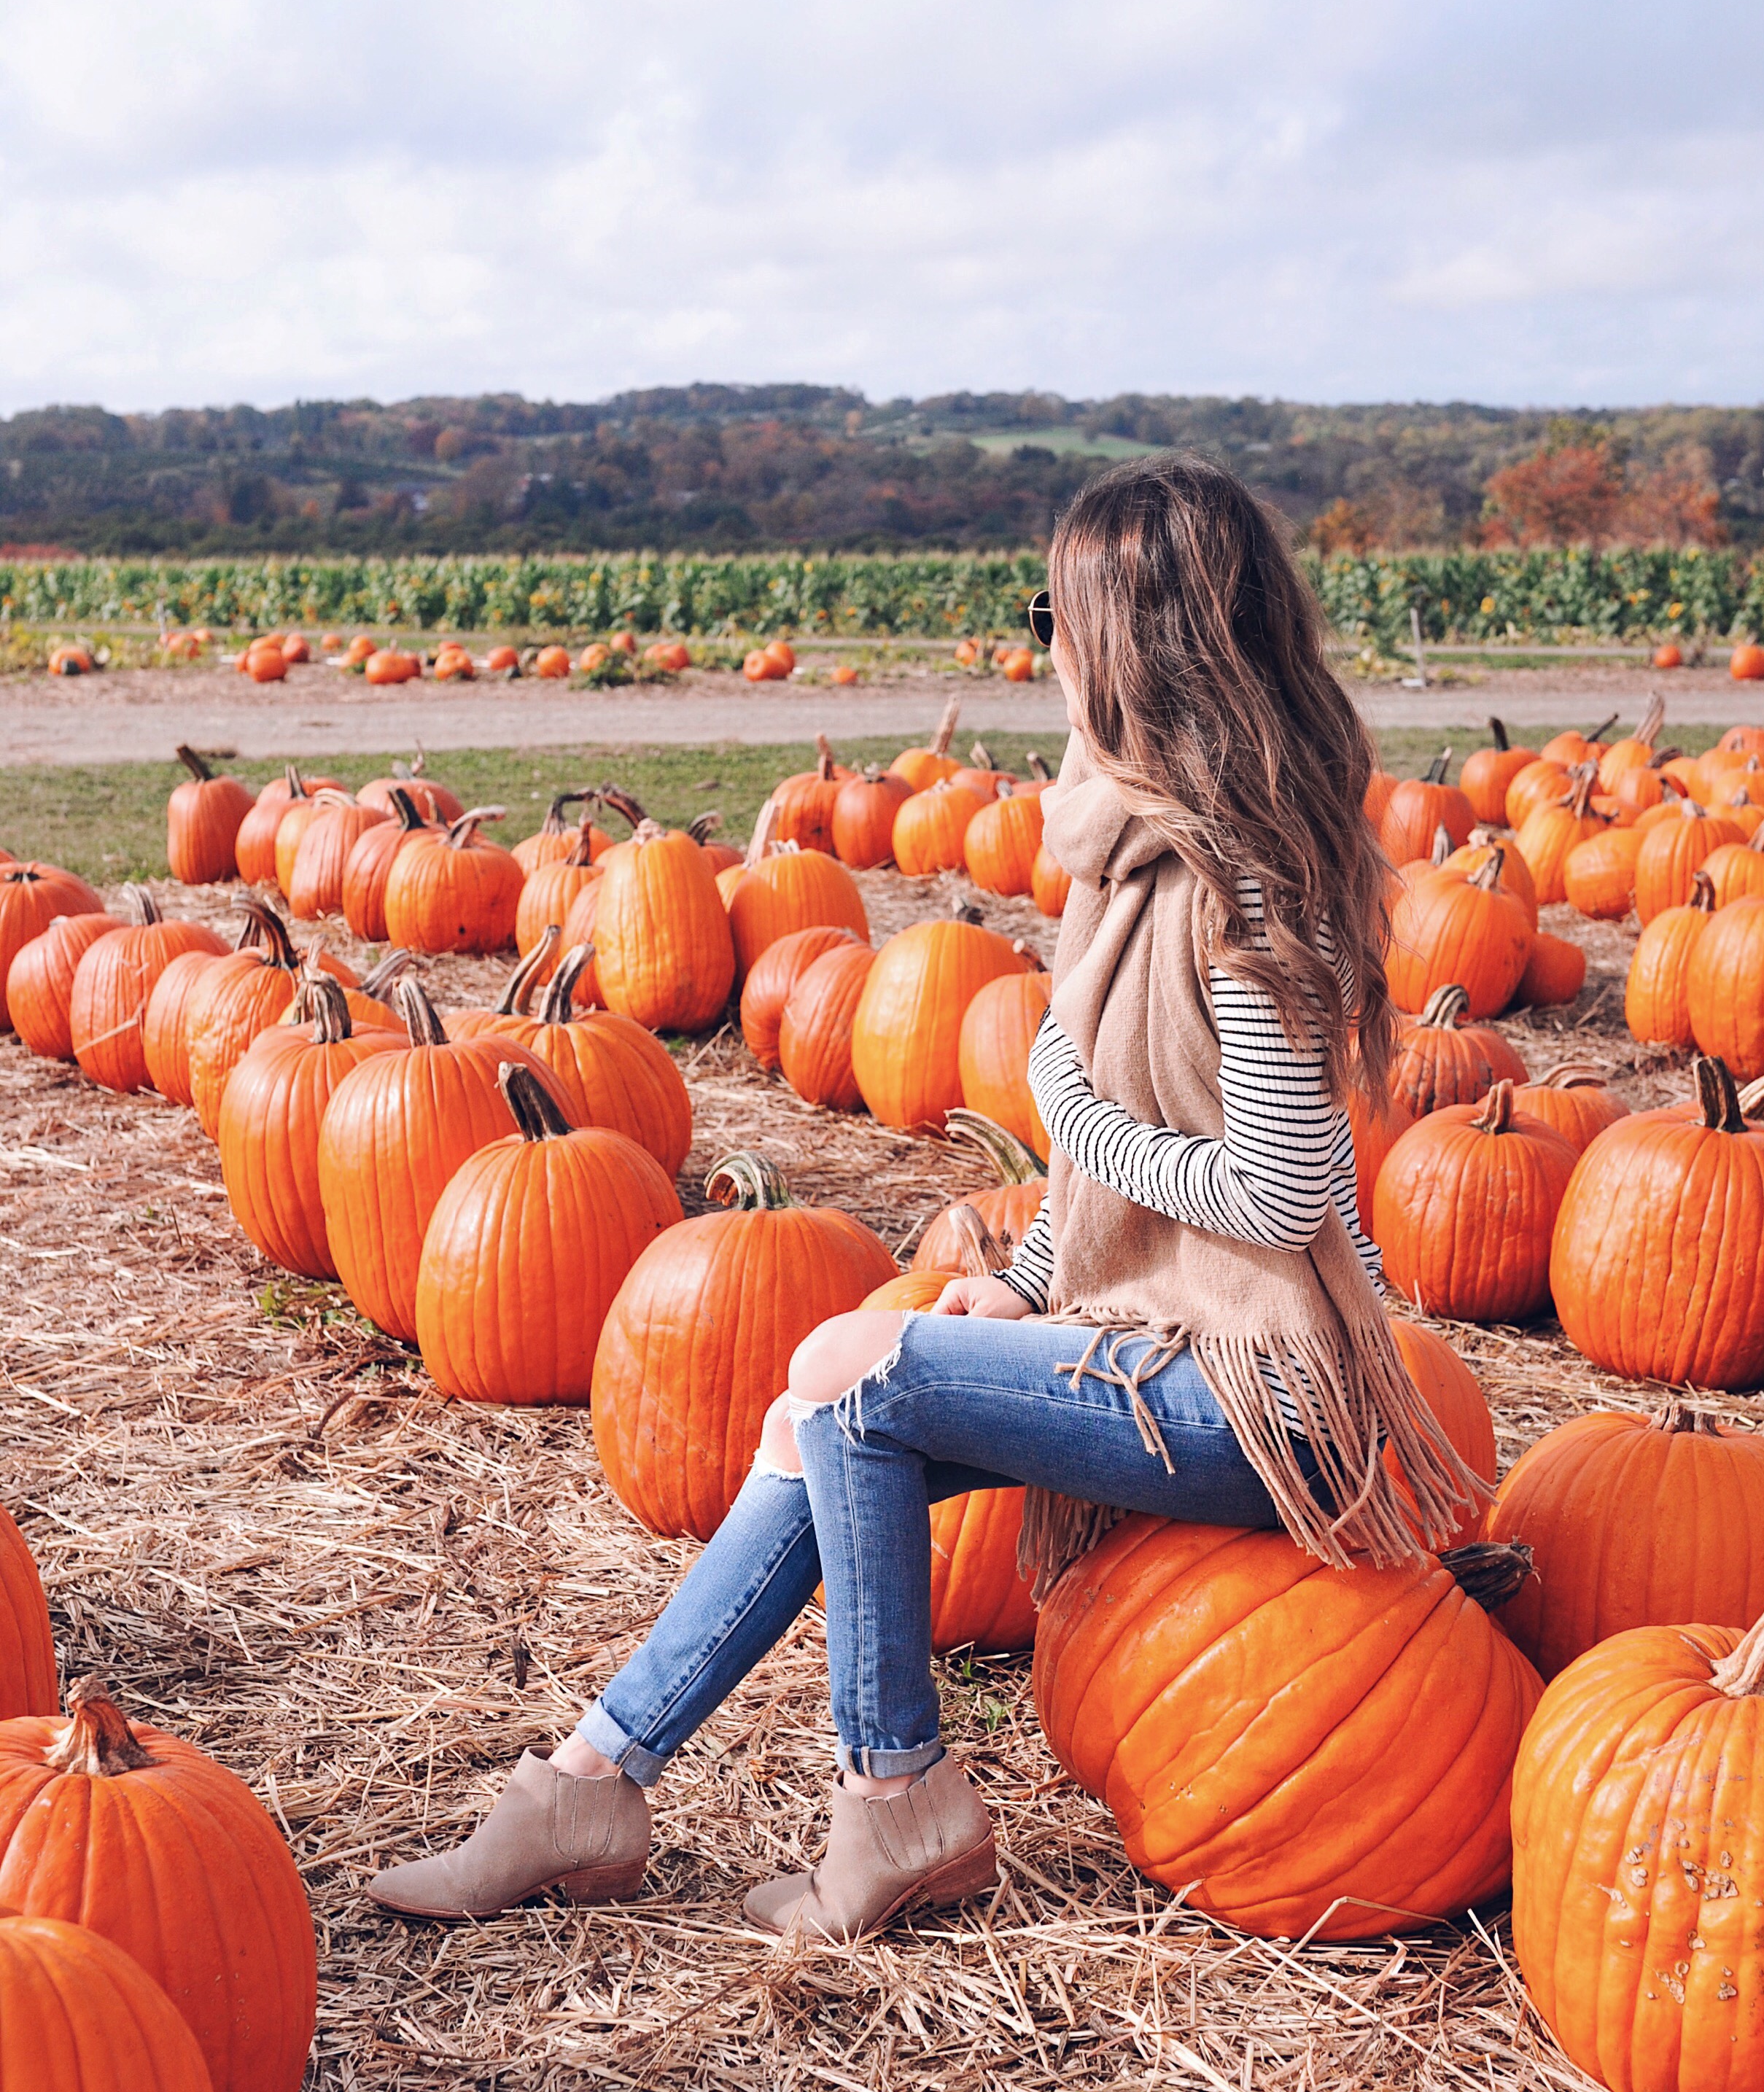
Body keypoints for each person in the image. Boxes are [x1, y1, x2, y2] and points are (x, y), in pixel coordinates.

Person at [369, 455, 1468, 1942]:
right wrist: (1022, 1283)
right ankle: (596, 1777)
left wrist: (1076, 1111)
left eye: (1054, 612)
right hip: (1162, 1334)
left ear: (1131, 640)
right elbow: (1133, 1167)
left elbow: (1286, 1189)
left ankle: (885, 1798)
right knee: (816, 1400)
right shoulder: (1128, 848)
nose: (1043, 647)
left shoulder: (1241, 888)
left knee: (853, 1386)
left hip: (1254, 1386)